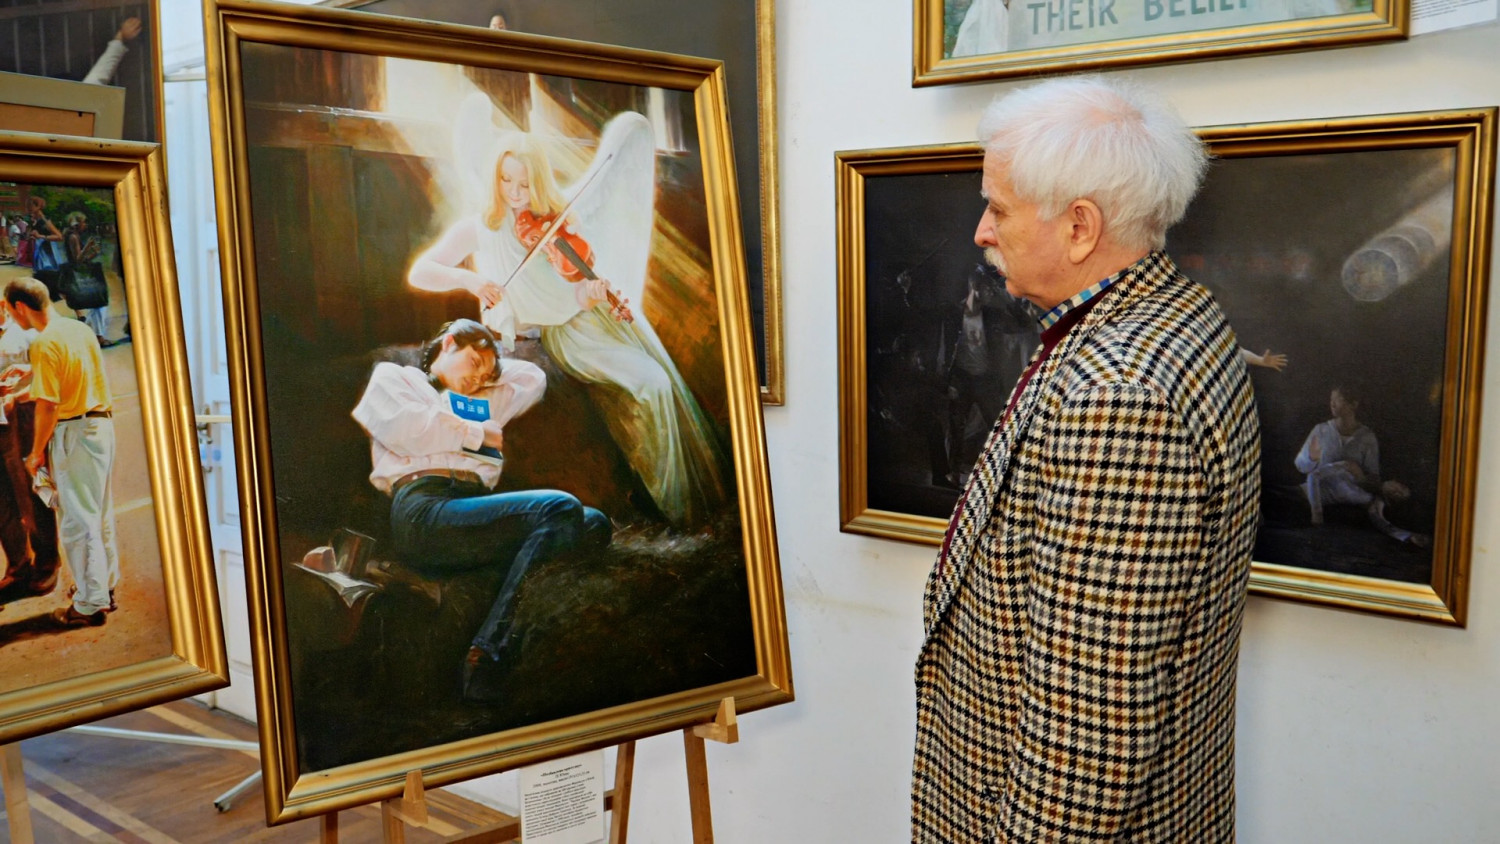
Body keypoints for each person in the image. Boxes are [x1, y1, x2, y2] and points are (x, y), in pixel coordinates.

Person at [912, 76, 1262, 843]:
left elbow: (1087, 749)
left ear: (1080, 228)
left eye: (997, 208)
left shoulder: (1120, 396)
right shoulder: (1177, 313)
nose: (980, 231)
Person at [408, 97, 727, 527]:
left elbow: (568, 295)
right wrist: (471, 281)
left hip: (588, 321)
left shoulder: (557, 221)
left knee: (662, 381)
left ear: (538, 182)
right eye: (506, 182)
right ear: (495, 179)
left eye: (524, 185)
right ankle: (674, 505)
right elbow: (420, 271)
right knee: (652, 383)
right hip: (570, 336)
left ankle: (681, 502)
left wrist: (590, 293)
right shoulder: (481, 227)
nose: (517, 195)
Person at [351, 319, 612, 702]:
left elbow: (532, 378)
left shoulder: (481, 400)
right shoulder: (397, 378)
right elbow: (408, 429)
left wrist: (486, 371)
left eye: (488, 374)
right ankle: (488, 654)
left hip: (470, 508)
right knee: (560, 509)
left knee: (592, 523)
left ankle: (497, 612)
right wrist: (477, 434)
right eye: (474, 361)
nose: (479, 378)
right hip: (424, 509)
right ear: (450, 342)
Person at [5, 278, 118, 628]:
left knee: (77, 523)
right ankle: (104, 588)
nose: (12, 317)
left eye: (10, 310)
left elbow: (49, 405)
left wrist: (36, 452)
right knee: (99, 516)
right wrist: (30, 374)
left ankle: (89, 604)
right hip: (100, 426)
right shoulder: (75, 328)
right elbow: (67, 373)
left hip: (75, 432)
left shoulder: (43, 342)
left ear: (21, 308)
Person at [1295, 384, 1429, 546]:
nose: (1333, 404)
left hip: (1333, 502)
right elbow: (1302, 466)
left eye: (1340, 400)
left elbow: (1372, 479)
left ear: (1353, 405)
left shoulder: (1367, 437)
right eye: (1332, 400)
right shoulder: (1321, 430)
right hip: (1308, 492)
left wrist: (1407, 536)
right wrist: (1311, 458)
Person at [0, 299, 60, 602]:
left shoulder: (25, 335)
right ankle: (18, 565)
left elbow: (48, 379)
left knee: (30, 493)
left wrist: (17, 394)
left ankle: (47, 560)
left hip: (19, 423)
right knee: (2, 503)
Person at [63, 211, 111, 345]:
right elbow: (77, 260)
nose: (86, 225)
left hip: (78, 274)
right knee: (99, 303)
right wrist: (89, 246)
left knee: (98, 304)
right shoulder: (73, 237)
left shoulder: (73, 236)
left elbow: (80, 259)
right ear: (78, 224)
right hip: (80, 275)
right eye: (84, 222)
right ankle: (98, 337)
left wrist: (93, 254)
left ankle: (92, 334)